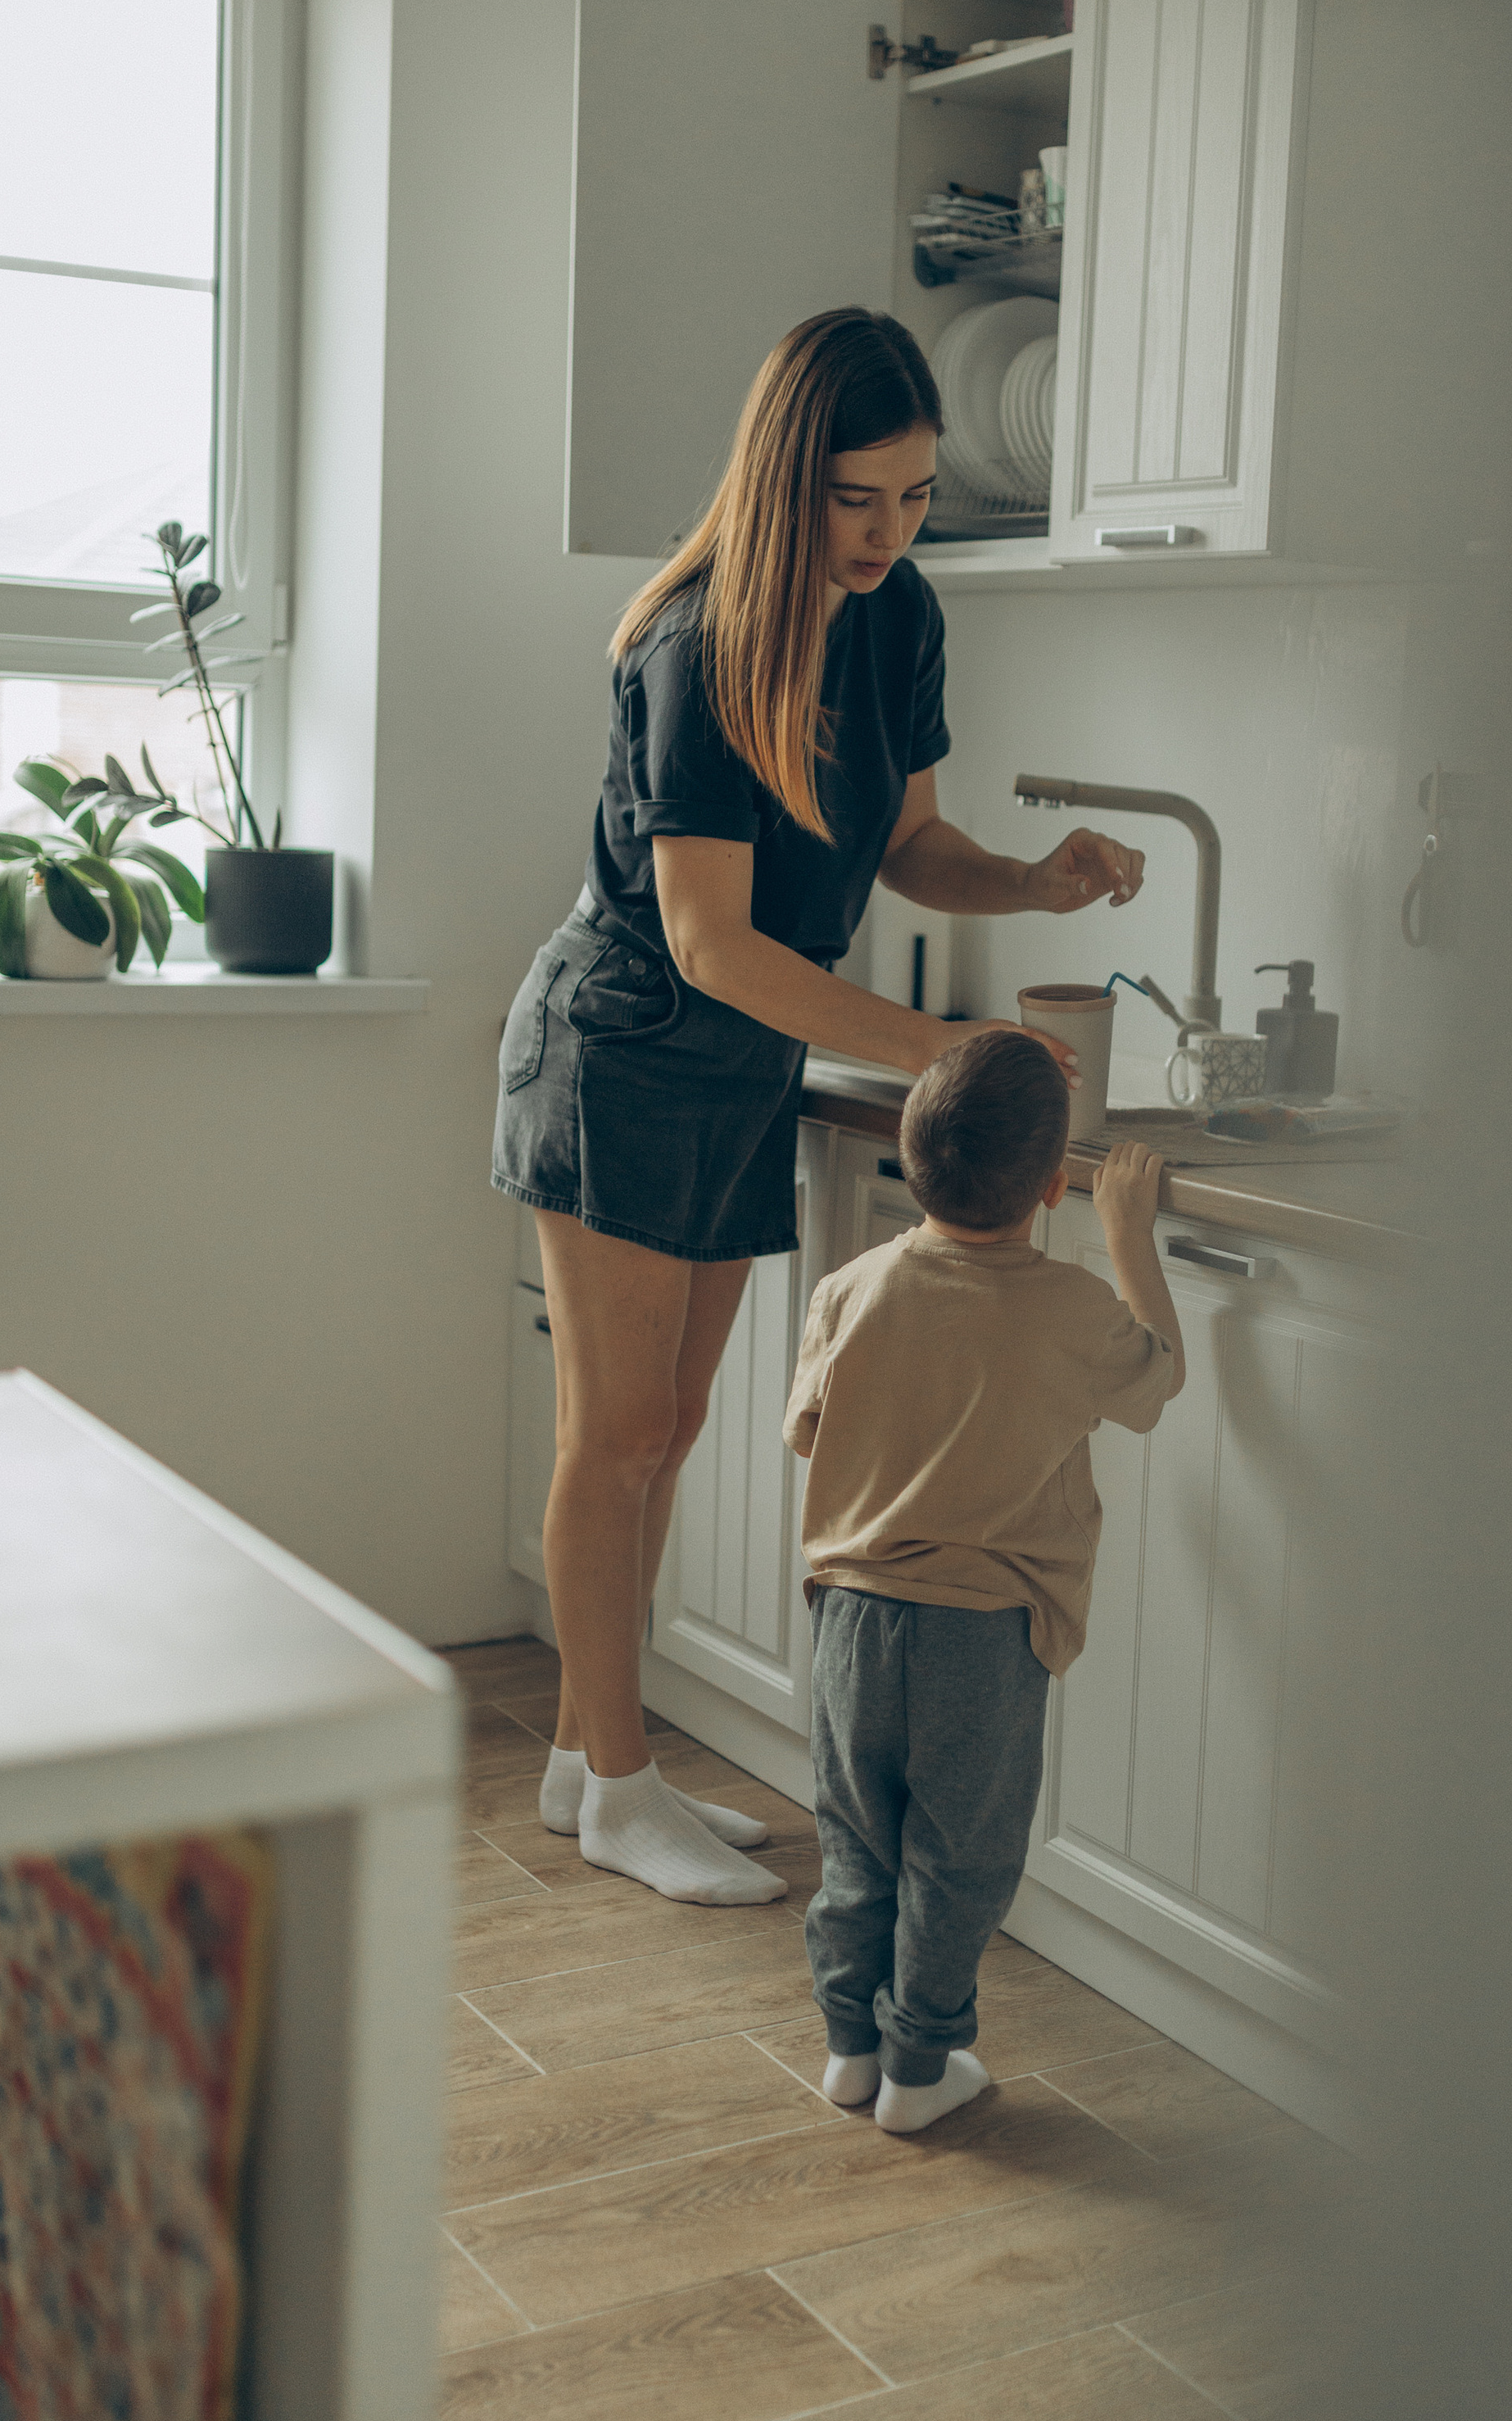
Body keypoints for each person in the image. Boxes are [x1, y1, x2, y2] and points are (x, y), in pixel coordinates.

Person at [492, 308, 1150, 1905]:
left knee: (675, 1428)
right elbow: (714, 939)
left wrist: (1027, 882)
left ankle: (590, 1764)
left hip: (737, 1061)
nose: (889, 530)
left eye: (917, 496)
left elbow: (908, 842)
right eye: (860, 498)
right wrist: (935, 1042)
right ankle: (621, 1779)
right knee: (619, 1430)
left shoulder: (899, 613)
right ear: (790, 477)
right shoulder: (695, 642)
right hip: (624, 1044)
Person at [782, 1030, 1185, 2131]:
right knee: (958, 1857)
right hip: (984, 1632)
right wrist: (1128, 1236)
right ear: (1054, 1186)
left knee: (855, 1840)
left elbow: (808, 1429)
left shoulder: (850, 1287)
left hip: (852, 1620)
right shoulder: (1068, 1308)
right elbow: (1158, 1378)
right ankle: (921, 2065)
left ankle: (849, 2047)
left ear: (911, 1161)